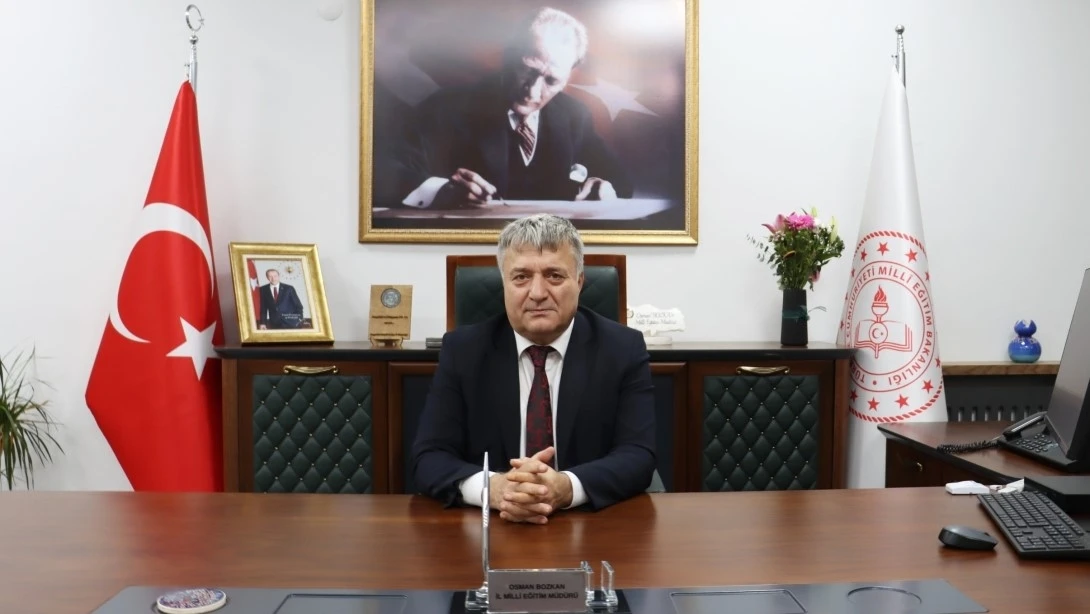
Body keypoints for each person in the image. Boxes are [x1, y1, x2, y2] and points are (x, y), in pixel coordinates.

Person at [411, 214, 655, 523]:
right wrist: (494, 489)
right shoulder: (464, 351)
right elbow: (429, 457)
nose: (537, 293)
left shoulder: (622, 349)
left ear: (579, 282)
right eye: (521, 277)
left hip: (590, 525)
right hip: (489, 527)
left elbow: (638, 455)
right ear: (504, 283)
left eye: (554, 276)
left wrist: (566, 487)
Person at [380, 7, 633, 210]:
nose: (532, 91)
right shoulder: (446, 108)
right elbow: (383, 171)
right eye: (527, 70)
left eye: (551, 80)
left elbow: (620, 181)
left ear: (568, 76)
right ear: (508, 57)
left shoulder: (574, 115)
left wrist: (604, 187)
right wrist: (441, 190)